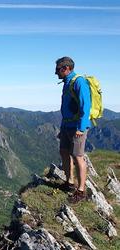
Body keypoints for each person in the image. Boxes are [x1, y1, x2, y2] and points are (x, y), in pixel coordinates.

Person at [55, 56, 91, 203]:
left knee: (78, 157)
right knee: (64, 152)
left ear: (66, 68)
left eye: (58, 69)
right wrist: (63, 127)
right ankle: (69, 182)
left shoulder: (79, 81)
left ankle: (81, 191)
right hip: (67, 126)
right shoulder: (67, 82)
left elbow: (85, 105)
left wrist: (81, 128)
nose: (56, 73)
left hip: (77, 127)